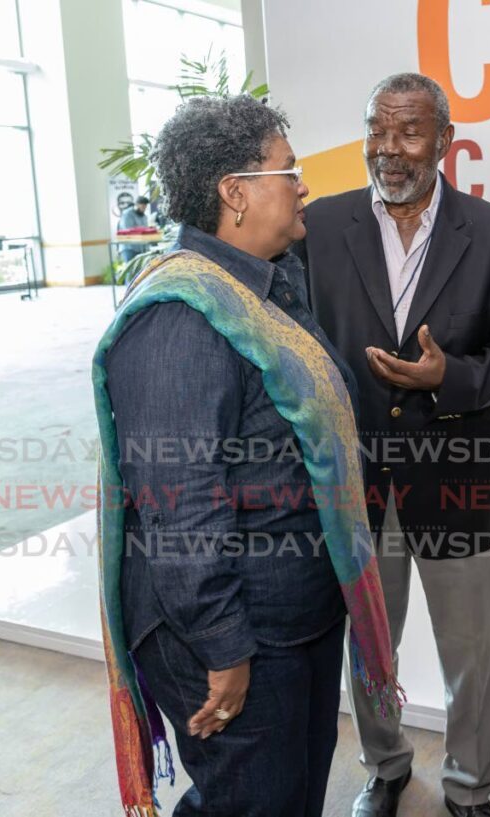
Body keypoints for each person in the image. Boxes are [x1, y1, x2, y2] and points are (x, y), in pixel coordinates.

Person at [92, 94, 399, 817]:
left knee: (288, 794)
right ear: (234, 193)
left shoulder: (263, 285)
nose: (303, 185)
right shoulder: (180, 316)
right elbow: (180, 505)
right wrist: (224, 648)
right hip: (239, 634)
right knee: (253, 800)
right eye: (286, 170)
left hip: (295, 615)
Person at [295, 73, 490, 817]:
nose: (389, 149)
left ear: (445, 140)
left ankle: (470, 786)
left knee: (471, 658)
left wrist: (450, 378)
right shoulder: (321, 227)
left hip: (457, 482)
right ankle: (386, 767)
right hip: (354, 484)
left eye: (408, 133)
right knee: (371, 647)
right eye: (378, 129)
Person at [117, 195, 151, 262]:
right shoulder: (127, 214)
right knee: (131, 271)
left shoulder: (144, 216)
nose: (144, 209)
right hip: (129, 248)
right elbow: (128, 230)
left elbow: (146, 230)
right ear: (137, 205)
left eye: (145, 207)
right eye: (142, 207)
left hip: (141, 249)